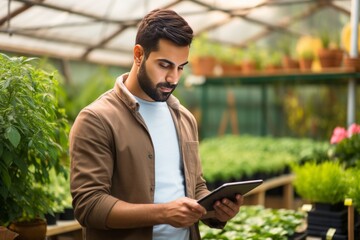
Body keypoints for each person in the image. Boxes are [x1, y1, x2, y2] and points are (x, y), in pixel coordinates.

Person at [69, 8, 243, 240]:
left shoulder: (184, 118)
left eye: (181, 67)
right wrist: (163, 213)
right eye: (165, 65)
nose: (174, 78)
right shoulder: (97, 119)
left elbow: (196, 187)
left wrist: (217, 211)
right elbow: (89, 206)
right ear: (139, 55)